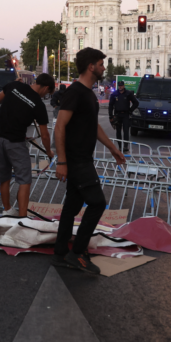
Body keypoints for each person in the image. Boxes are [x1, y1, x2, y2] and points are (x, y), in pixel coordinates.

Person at [53, 48, 125, 274]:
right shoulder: (75, 91)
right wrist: (62, 161)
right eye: (101, 64)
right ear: (90, 66)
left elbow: (93, 126)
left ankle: (61, 251)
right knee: (97, 203)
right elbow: (59, 126)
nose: (104, 68)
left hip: (83, 157)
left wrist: (113, 148)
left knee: (71, 207)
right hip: (76, 159)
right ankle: (77, 252)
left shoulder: (88, 94)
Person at [0, 73, 55, 217]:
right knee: (24, 179)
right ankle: (22, 216)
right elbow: (44, 135)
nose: (46, 95)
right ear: (45, 87)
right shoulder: (38, 104)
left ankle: (7, 209)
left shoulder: (15, 85)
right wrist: (48, 151)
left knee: (4, 176)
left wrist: (12, 86)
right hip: (15, 142)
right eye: (48, 92)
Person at [108, 81, 138, 152]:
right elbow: (110, 105)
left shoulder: (128, 93)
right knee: (118, 131)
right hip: (117, 115)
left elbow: (136, 103)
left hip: (125, 114)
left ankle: (125, 146)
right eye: (119, 86)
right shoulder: (115, 94)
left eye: (121, 85)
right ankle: (120, 146)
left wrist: (130, 110)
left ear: (124, 86)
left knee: (126, 131)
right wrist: (110, 116)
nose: (120, 87)